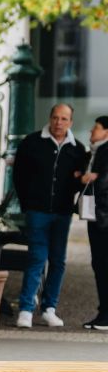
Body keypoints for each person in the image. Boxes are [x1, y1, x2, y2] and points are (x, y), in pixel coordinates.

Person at [13, 103, 87, 327]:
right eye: (55, 118)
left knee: (58, 261)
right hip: (37, 212)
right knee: (37, 258)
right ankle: (26, 309)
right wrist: (28, 204)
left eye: (64, 119)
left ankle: (49, 309)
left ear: (71, 122)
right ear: (50, 118)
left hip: (63, 213)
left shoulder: (77, 149)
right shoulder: (32, 143)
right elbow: (19, 176)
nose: (59, 123)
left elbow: (79, 181)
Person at [81, 116, 108, 330]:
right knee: (98, 264)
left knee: (103, 264)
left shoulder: (106, 151)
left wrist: (94, 178)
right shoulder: (95, 151)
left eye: (96, 128)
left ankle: (106, 315)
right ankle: (103, 312)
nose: (92, 131)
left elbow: (103, 182)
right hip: (96, 215)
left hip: (103, 217)